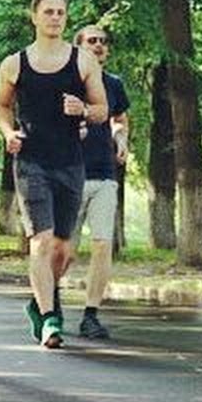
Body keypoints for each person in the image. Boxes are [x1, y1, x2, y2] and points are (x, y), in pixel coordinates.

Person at [0, 0, 108, 349]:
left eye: (60, 12)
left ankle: (37, 301)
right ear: (34, 17)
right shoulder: (15, 63)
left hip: (71, 162)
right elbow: (0, 105)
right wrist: (9, 131)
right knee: (41, 243)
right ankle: (50, 319)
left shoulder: (83, 62)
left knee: (63, 250)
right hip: (31, 163)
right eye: (49, 12)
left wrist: (84, 110)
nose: (55, 17)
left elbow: (102, 109)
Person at [71, 25, 130, 339]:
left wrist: (121, 138)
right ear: (78, 46)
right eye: (92, 40)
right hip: (68, 174)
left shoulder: (114, 84)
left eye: (104, 42)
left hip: (105, 175)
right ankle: (46, 303)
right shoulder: (65, 82)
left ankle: (90, 315)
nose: (99, 45)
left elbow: (118, 119)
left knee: (102, 245)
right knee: (63, 250)